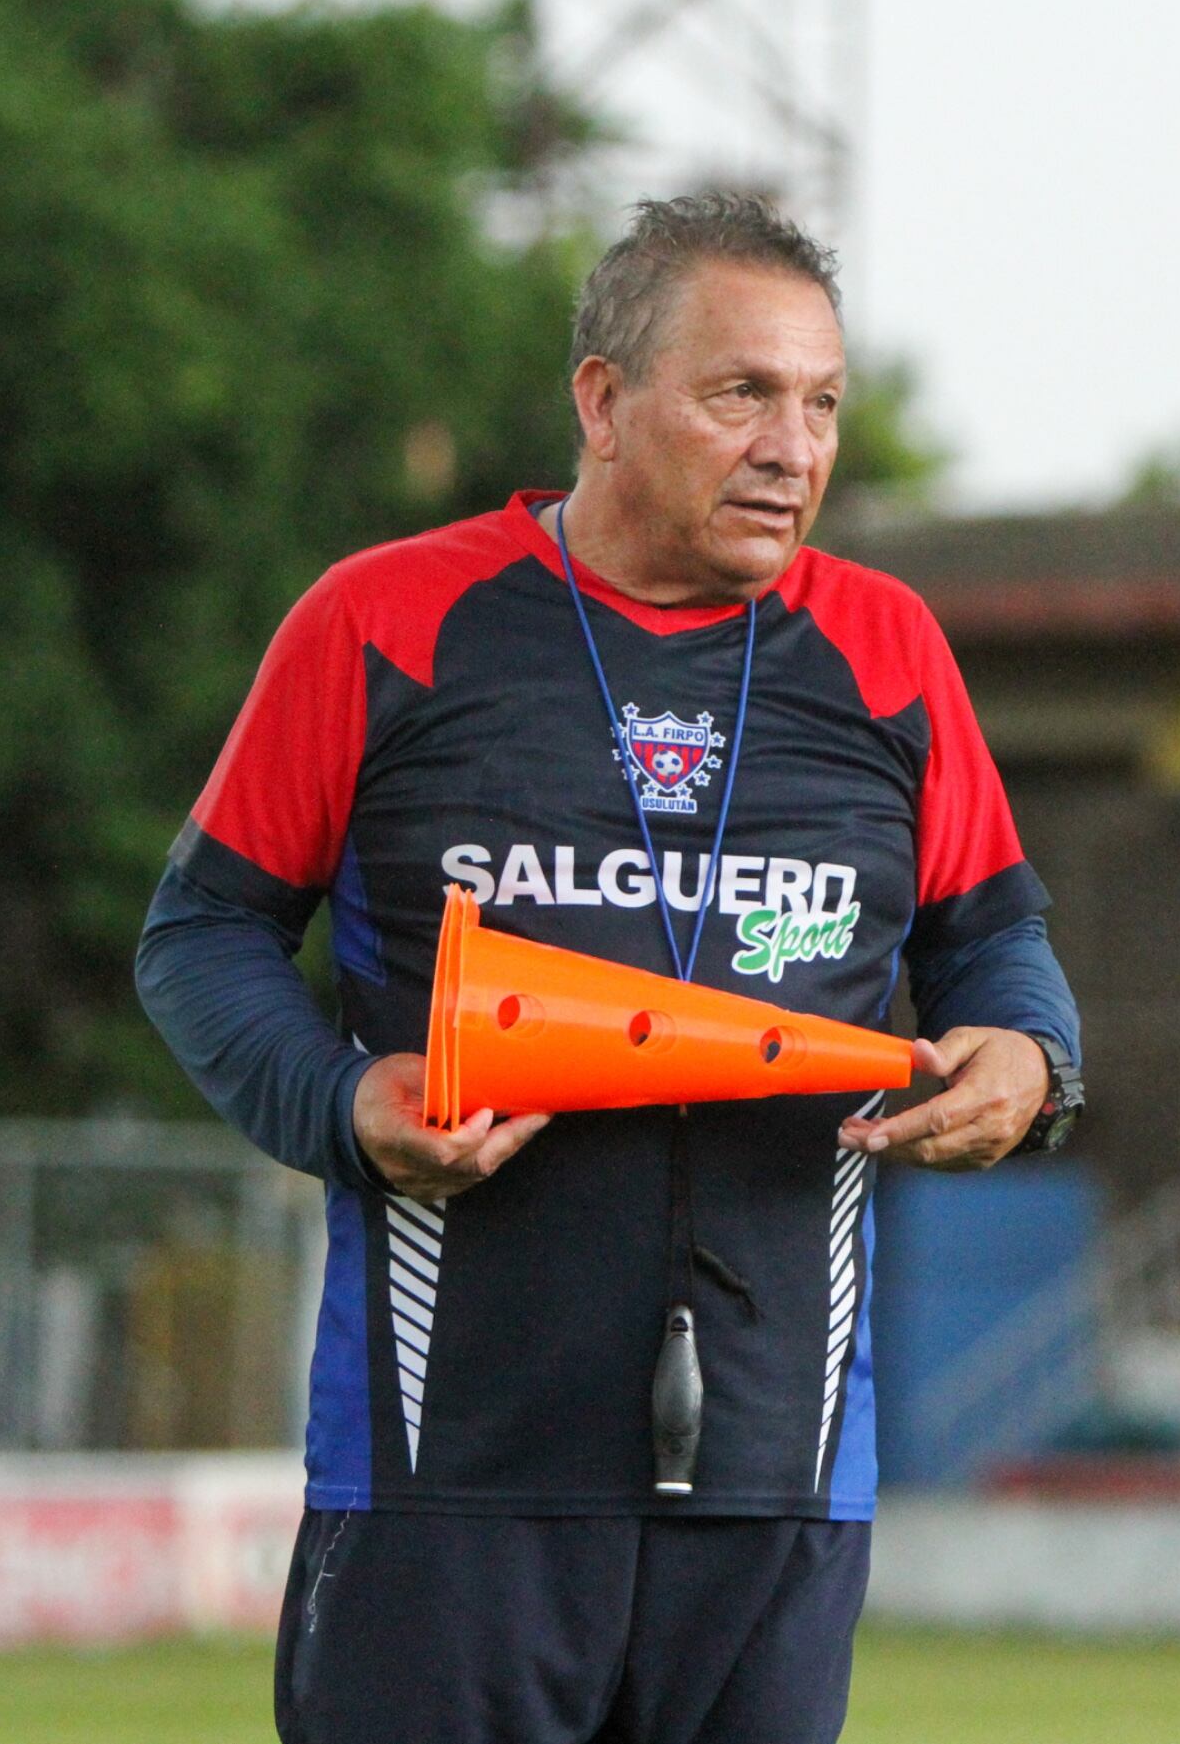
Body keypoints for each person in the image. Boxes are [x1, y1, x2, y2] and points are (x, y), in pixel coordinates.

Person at [137, 191, 1082, 1744]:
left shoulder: (888, 649)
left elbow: (993, 940)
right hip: (452, 1474)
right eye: (742, 395)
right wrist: (342, 1096)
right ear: (602, 401)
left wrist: (1029, 1060)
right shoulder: (388, 622)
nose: (795, 446)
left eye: (823, 403)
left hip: (781, 1481)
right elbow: (201, 935)